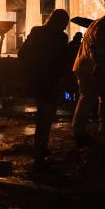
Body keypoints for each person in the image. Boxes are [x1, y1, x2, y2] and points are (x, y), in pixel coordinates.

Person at [18, 9, 70, 164]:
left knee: (44, 114)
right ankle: (40, 148)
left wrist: (29, 71)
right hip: (50, 79)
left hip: (39, 78)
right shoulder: (61, 37)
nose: (65, 26)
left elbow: (23, 53)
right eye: (64, 23)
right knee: (46, 114)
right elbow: (63, 60)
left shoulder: (37, 31)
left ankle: (40, 146)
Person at [71, 4, 105, 141]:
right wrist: (98, 63)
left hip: (85, 65)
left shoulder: (99, 23)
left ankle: (99, 128)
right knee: (92, 98)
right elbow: (95, 47)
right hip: (91, 68)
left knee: (101, 97)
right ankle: (81, 131)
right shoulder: (104, 26)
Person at [65, 31, 83, 101]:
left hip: (71, 67)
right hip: (74, 67)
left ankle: (69, 99)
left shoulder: (71, 44)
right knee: (73, 85)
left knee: (71, 85)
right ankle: (72, 99)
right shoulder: (77, 45)